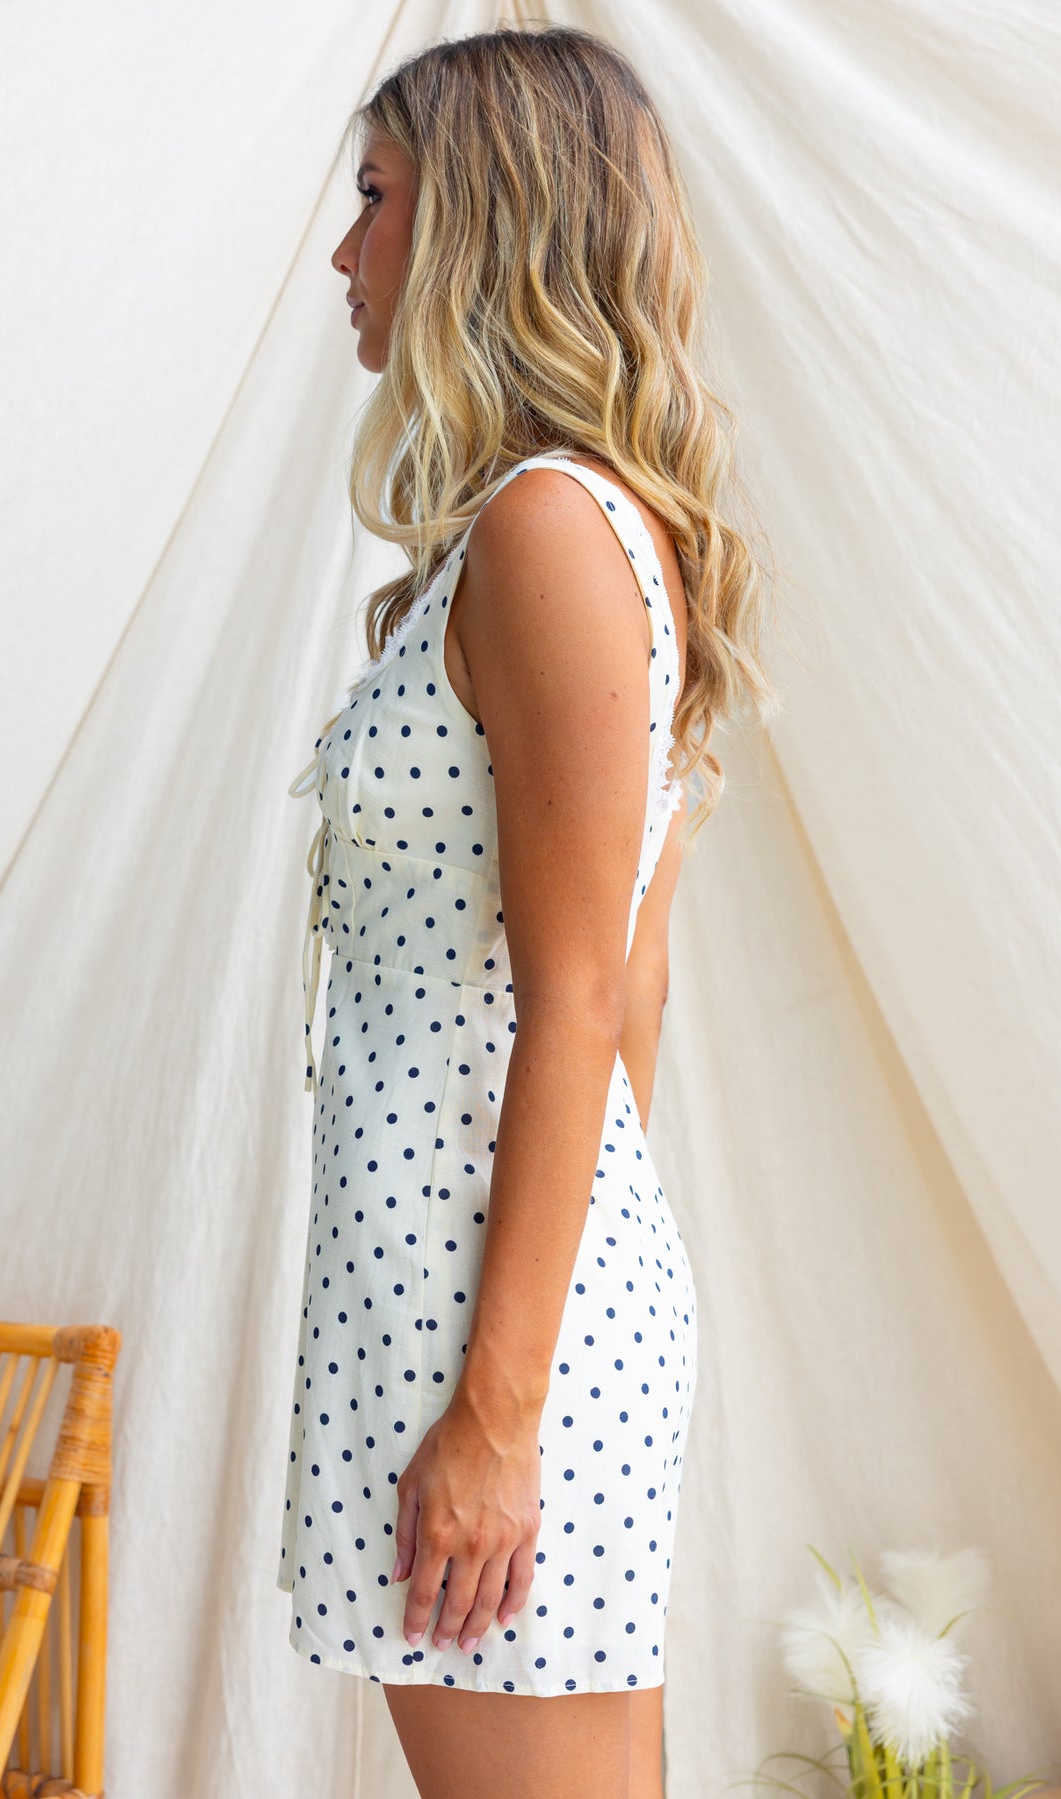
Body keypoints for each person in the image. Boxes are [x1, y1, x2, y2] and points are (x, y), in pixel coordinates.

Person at [277, 22, 779, 1798]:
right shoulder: (530, 532)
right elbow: (631, 982)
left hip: (484, 1332)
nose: (347, 250)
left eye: (377, 196)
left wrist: (506, 1405)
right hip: (470, 1301)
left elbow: (585, 997)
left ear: (482, 217)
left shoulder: (549, 532)